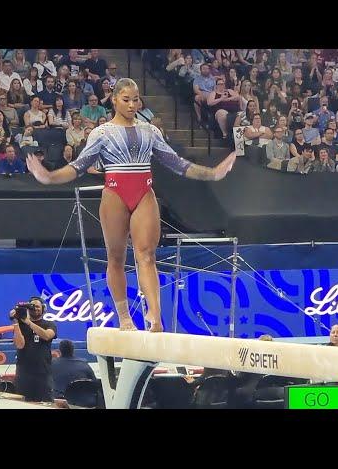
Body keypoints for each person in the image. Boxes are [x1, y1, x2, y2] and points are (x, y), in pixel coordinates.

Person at [26, 78, 235, 333]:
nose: (132, 104)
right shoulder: (101, 133)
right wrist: (48, 177)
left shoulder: (150, 131)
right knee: (116, 257)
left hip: (143, 192)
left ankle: (155, 318)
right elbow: (78, 167)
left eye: (136, 99)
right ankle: (124, 317)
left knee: (146, 256)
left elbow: (178, 164)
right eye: (126, 100)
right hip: (115, 193)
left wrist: (213, 174)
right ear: (114, 100)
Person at [10, 297, 57, 402]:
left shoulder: (49, 324)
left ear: (43, 309)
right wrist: (16, 322)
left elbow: (46, 335)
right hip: (24, 374)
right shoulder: (21, 325)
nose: (35, 309)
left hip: (43, 373)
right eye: (32, 306)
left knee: (45, 403)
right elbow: (19, 345)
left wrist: (28, 322)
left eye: (37, 306)